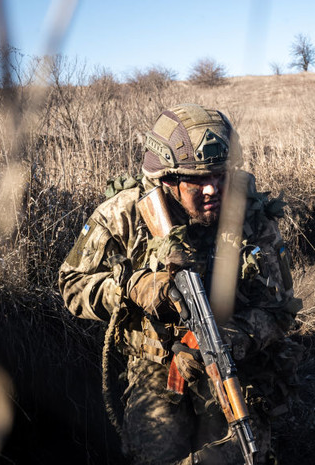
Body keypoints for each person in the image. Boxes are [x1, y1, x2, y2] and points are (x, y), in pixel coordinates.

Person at [58, 103, 302, 464]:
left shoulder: (250, 215)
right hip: (155, 363)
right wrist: (133, 287)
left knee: (239, 452)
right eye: (198, 179)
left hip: (232, 359)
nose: (212, 189)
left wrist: (229, 340)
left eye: (219, 175)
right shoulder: (124, 214)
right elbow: (71, 285)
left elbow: (280, 310)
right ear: (167, 179)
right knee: (156, 452)